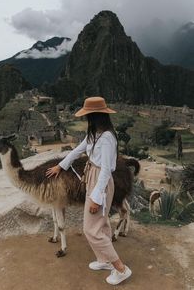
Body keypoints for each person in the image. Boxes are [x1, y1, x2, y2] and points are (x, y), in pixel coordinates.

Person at [46, 97, 132, 285]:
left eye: (88, 116)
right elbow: (78, 150)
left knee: (90, 229)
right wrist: (61, 166)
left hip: (101, 181)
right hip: (92, 176)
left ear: (95, 116)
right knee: (101, 225)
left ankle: (121, 268)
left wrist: (95, 198)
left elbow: (107, 169)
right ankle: (105, 261)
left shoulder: (107, 138)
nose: (86, 119)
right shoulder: (94, 133)